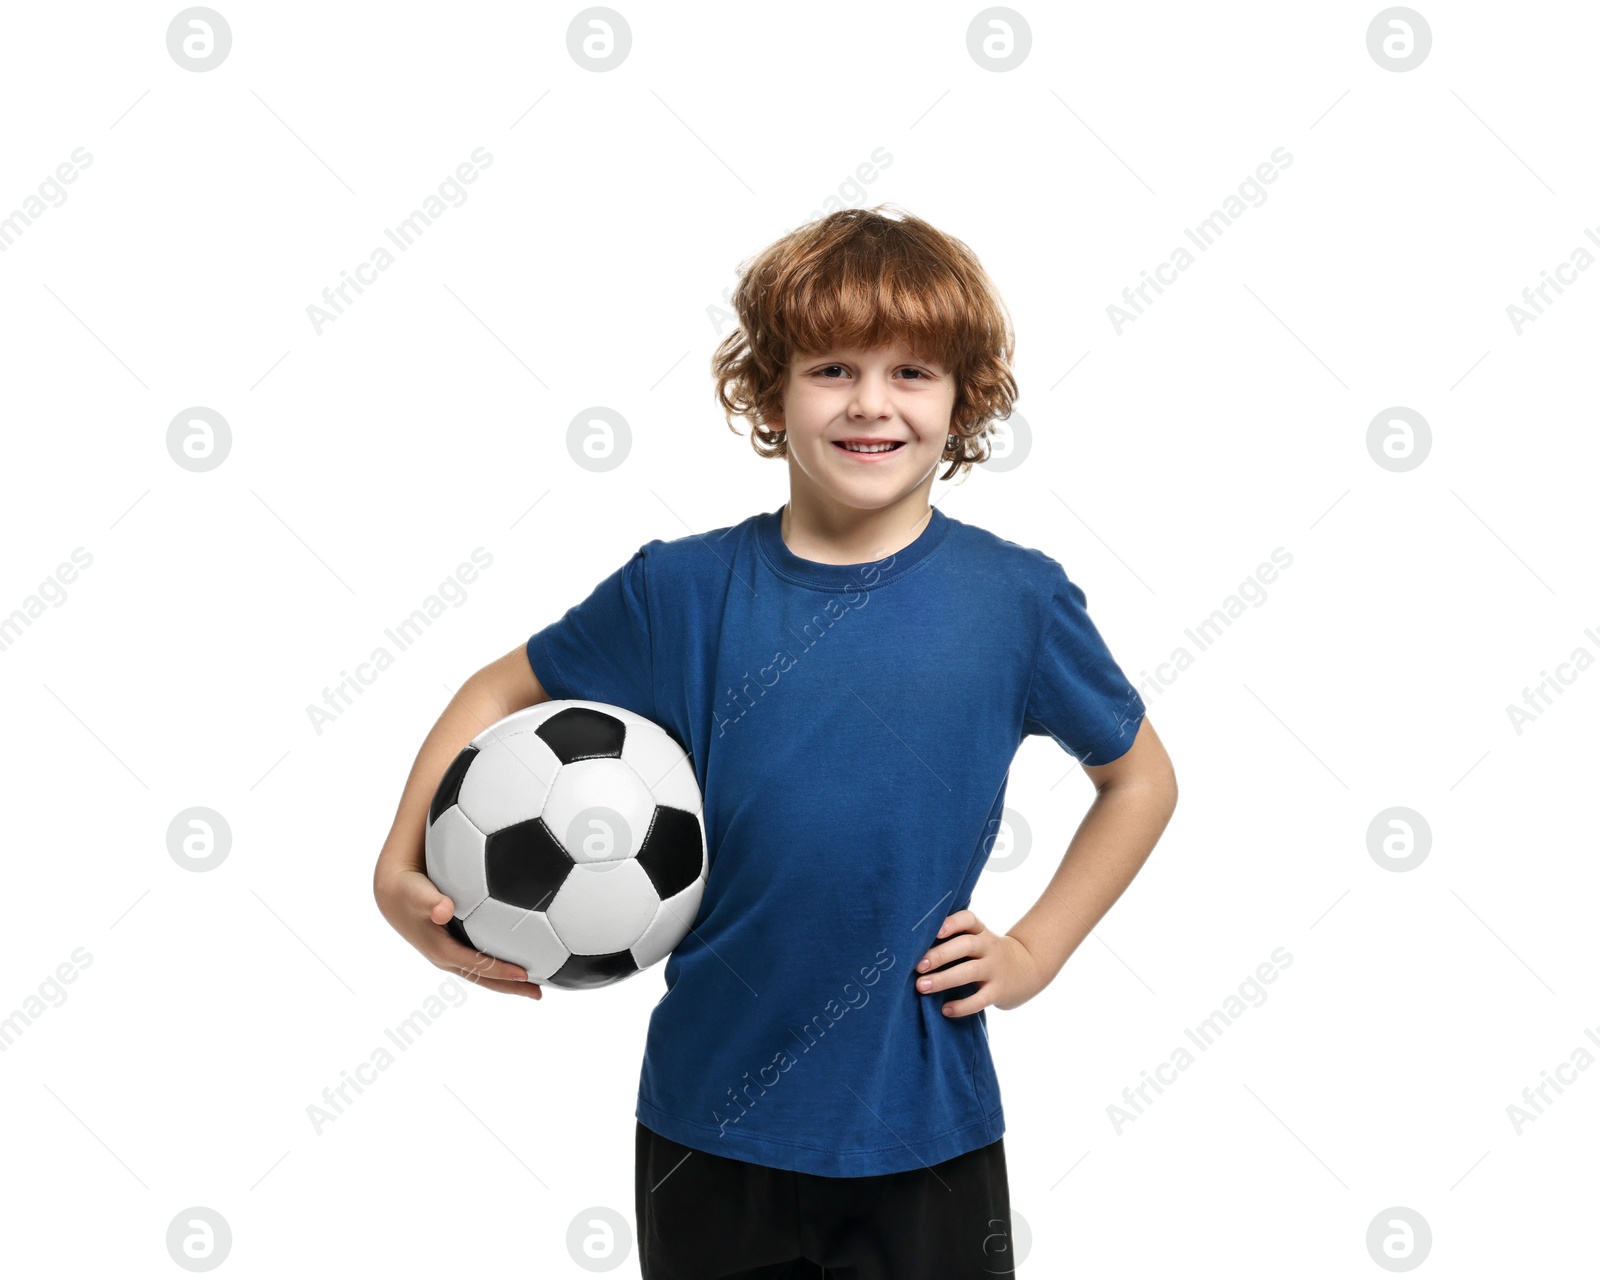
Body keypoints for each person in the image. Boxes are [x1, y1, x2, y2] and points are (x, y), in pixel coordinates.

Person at [373, 204, 1179, 1279]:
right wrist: (398, 864)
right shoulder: (682, 589)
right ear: (768, 390)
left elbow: (1138, 779)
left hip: (923, 1131)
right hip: (708, 1128)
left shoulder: (1014, 599)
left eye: (913, 373)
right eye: (833, 368)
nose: (871, 404)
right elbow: (496, 687)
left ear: (963, 398)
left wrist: (1033, 950)